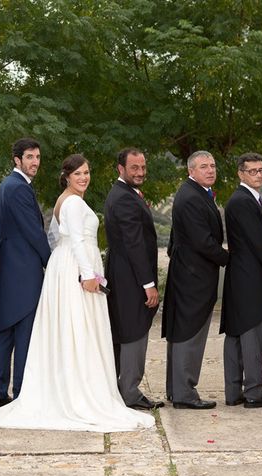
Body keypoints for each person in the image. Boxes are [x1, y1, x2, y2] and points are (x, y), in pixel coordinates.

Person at [0, 155, 155, 431]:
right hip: (77, 270)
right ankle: (80, 393)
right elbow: (77, 241)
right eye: (78, 174)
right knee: (78, 332)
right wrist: (86, 275)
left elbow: (53, 238)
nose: (84, 177)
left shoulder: (67, 200)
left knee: (74, 332)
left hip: (67, 266)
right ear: (67, 176)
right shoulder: (71, 202)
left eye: (87, 172)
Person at [0, 138, 51, 409]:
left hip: (11, 270)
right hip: (23, 274)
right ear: (17, 160)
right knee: (22, 334)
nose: (34, 162)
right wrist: (53, 261)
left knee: (7, 333)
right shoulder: (18, 189)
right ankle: (21, 393)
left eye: (37, 157)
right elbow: (34, 233)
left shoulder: (9, 185)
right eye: (29, 157)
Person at [162, 150, 228, 409]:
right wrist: (228, 258)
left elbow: (174, 240)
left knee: (185, 332)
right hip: (193, 278)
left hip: (190, 272)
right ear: (191, 170)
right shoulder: (191, 197)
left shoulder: (197, 193)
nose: (210, 170)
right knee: (189, 334)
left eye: (212, 165)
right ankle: (184, 394)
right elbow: (203, 241)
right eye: (204, 166)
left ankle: (177, 390)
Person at [104, 148, 164, 410]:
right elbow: (134, 244)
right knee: (133, 332)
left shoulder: (124, 194)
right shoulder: (125, 198)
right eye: (134, 168)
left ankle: (122, 389)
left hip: (122, 275)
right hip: (130, 279)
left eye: (142, 167)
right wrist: (148, 284)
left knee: (125, 331)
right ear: (121, 169)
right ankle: (129, 392)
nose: (140, 172)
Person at [220, 153, 262, 408]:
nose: (259, 175)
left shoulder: (245, 199)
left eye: (261, 170)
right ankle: (255, 392)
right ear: (241, 174)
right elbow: (259, 244)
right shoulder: (243, 201)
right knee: (253, 335)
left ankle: (234, 392)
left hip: (240, 276)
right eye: (253, 171)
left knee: (236, 333)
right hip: (249, 278)